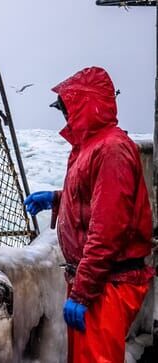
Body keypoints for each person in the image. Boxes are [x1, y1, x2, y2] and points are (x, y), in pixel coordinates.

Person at [24, 67, 154, 363]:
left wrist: (83, 292)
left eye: (68, 107)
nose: (65, 116)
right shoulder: (94, 145)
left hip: (107, 284)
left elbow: (108, 229)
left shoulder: (110, 149)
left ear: (85, 105)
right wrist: (56, 200)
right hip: (100, 280)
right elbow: (94, 200)